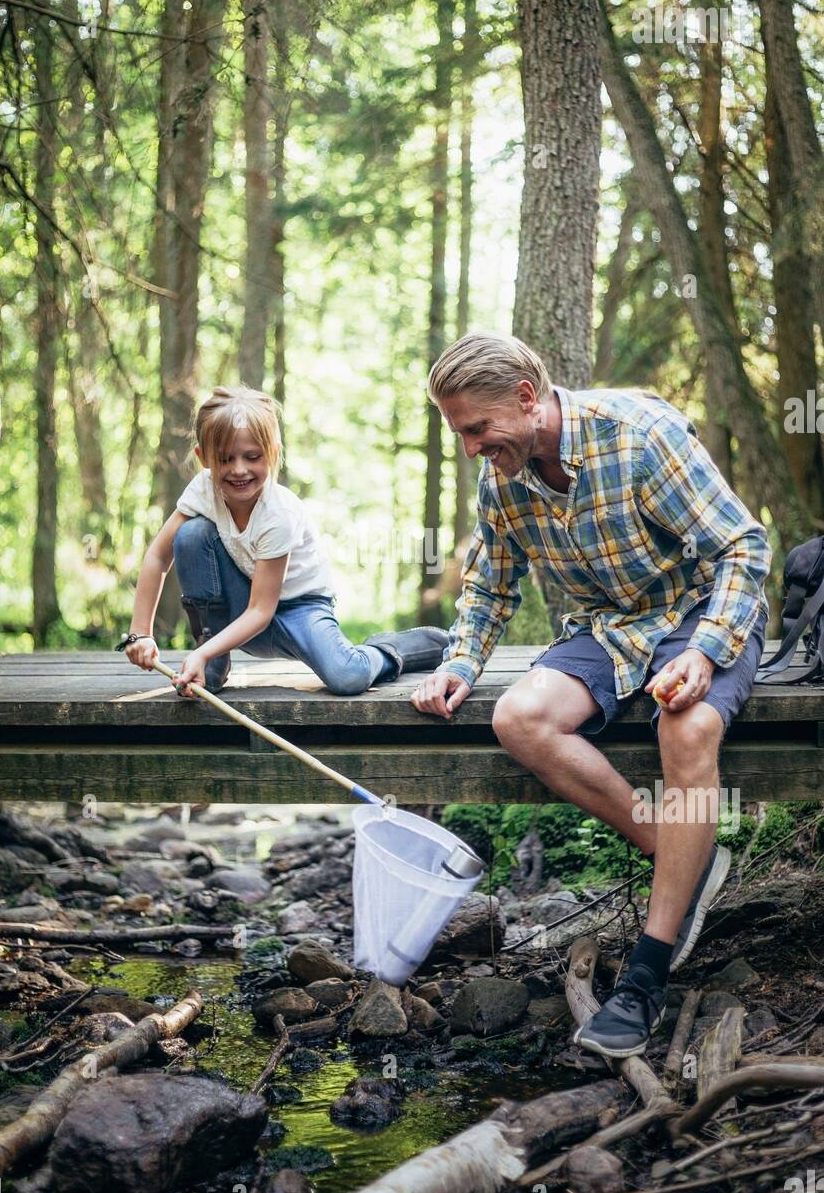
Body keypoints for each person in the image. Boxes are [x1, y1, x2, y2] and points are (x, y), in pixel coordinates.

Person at [411, 331, 771, 1058]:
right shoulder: (502, 480)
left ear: (525, 397)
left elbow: (743, 548)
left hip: (703, 610)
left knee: (687, 730)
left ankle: (645, 976)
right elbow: (489, 584)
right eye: (460, 434)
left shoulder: (640, 435)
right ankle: (685, 858)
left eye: (478, 429)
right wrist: (460, 664)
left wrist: (705, 652)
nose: (472, 447)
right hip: (612, 629)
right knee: (519, 717)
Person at [120, 385, 447, 697]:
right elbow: (158, 558)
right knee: (190, 535)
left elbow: (263, 610)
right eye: (224, 459)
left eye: (252, 457)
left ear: (273, 453)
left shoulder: (278, 513)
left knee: (349, 676)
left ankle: (395, 648)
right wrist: (141, 633)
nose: (239, 470)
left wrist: (200, 652)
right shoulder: (202, 490)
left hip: (299, 608)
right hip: (242, 603)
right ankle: (211, 663)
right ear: (203, 457)